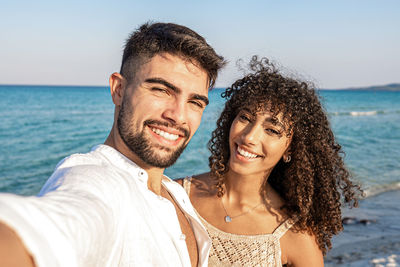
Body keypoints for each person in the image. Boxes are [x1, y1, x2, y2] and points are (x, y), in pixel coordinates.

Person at [0, 22, 225, 267]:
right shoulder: (97, 182)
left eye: (195, 102)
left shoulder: (175, 192)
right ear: (118, 89)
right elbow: (52, 228)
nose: (178, 116)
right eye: (161, 90)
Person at [177, 56, 362, 266]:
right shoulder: (174, 196)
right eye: (245, 118)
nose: (249, 137)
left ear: (290, 149)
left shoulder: (294, 236)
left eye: (272, 130)